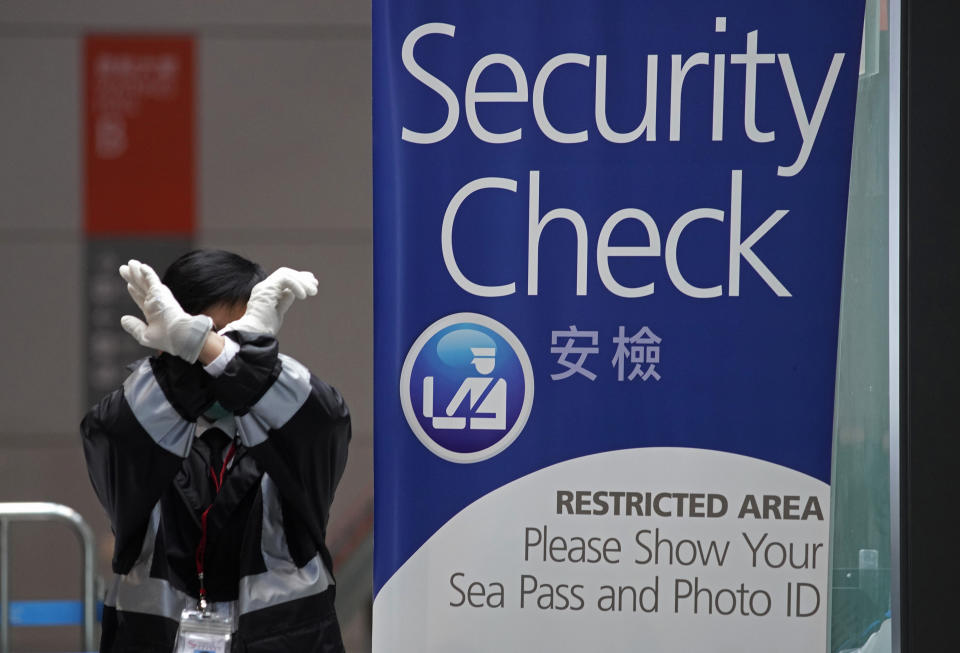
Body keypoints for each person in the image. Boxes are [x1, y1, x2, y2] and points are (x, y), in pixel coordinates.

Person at [81, 250, 350, 652]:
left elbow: (325, 419)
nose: (214, 352)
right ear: (163, 332)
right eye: (201, 334)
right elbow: (113, 434)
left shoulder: (294, 418)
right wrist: (206, 354)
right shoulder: (132, 420)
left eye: (236, 337)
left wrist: (210, 350)